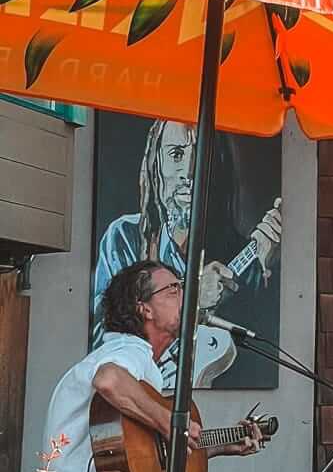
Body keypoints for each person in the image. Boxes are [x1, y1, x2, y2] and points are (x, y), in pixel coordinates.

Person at [45, 260, 277, 472]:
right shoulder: (129, 352)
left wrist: (220, 446)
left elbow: (146, 462)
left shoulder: (142, 366)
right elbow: (108, 380)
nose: (185, 295)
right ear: (145, 309)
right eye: (174, 289)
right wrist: (169, 421)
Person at [91, 120, 282, 338]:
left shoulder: (239, 254)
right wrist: (191, 301)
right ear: (156, 166)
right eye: (176, 154)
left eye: (201, 155)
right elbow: (104, 336)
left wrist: (261, 269)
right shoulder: (124, 237)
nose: (189, 172)